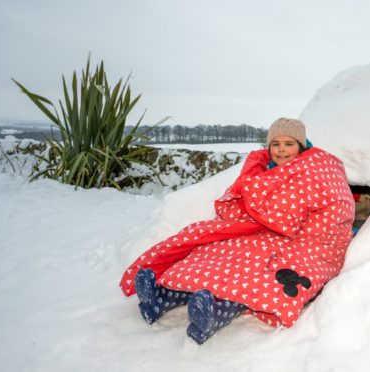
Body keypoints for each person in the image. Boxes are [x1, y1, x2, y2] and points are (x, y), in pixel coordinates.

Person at [119, 117, 355, 345]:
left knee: (259, 273)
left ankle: (215, 312)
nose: (281, 150)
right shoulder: (269, 170)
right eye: (276, 144)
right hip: (269, 233)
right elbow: (255, 205)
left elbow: (290, 213)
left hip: (307, 244)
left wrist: (257, 199)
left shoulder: (312, 169)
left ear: (301, 147)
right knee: (218, 250)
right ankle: (164, 297)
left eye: (289, 144)